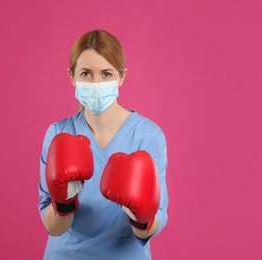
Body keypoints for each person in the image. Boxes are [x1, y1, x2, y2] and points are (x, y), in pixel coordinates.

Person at [38, 29, 169, 259]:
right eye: (86, 74)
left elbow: (151, 227)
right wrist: (64, 201)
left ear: (122, 76)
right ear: (72, 76)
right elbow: (54, 227)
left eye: (106, 73)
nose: (96, 83)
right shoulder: (58, 133)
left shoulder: (148, 135)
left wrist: (141, 216)